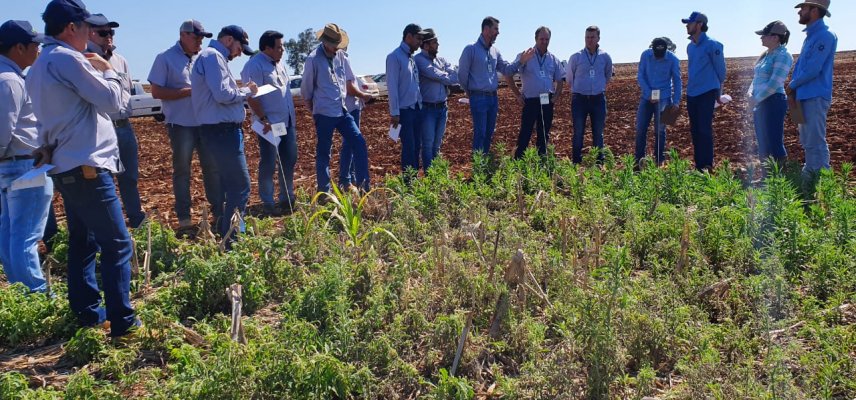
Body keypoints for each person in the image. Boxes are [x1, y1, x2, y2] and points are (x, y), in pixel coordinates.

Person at [28, 0, 139, 337]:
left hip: (68, 166)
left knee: (83, 240)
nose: (92, 34)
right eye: (87, 27)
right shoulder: (67, 59)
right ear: (70, 28)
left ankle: (87, 312)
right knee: (118, 243)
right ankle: (123, 322)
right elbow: (113, 102)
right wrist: (108, 70)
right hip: (87, 167)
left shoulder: (39, 63)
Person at [148, 20, 220, 237]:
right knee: (182, 172)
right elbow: (156, 92)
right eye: (196, 37)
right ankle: (184, 219)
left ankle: (219, 214)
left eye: (202, 38)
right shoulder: (165, 58)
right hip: (180, 125)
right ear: (183, 35)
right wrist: (187, 92)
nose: (200, 41)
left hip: (205, 123)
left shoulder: (202, 58)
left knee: (213, 169)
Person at [190, 25, 257, 241]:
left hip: (222, 132)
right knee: (240, 185)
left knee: (232, 185)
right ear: (228, 40)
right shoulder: (212, 57)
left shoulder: (213, 57)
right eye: (239, 47)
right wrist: (247, 91)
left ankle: (230, 231)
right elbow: (223, 95)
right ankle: (233, 239)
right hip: (222, 132)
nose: (239, 53)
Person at [0, 20, 52, 293]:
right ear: (18, 48)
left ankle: (23, 293)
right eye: (35, 45)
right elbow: (2, 132)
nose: (38, 50)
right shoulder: (9, 81)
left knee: (10, 235)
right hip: (23, 165)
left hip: (12, 166)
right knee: (25, 237)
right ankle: (37, 293)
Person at [85, 13, 146, 228]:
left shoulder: (120, 60)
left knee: (130, 177)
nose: (109, 36)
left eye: (111, 32)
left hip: (124, 126)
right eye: (103, 32)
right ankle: (112, 224)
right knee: (105, 180)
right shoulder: (84, 60)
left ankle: (136, 219)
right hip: (101, 128)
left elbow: (126, 91)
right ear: (90, 33)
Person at [300, 23, 370, 193]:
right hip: (323, 112)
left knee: (359, 143)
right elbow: (306, 89)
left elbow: (347, 81)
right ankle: (324, 192)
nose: (336, 48)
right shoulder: (313, 59)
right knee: (324, 152)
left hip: (342, 110)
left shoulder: (341, 57)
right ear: (325, 42)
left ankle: (364, 188)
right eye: (333, 45)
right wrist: (313, 109)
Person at [241, 30, 298, 216]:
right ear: (267, 48)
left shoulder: (279, 64)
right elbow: (252, 96)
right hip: (269, 123)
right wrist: (263, 118)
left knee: (288, 159)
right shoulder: (254, 66)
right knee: (269, 162)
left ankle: (287, 198)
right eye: (279, 46)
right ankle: (268, 202)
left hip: (286, 121)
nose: (282, 50)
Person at [459, 16, 533, 155]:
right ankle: (478, 168)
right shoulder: (470, 49)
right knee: (480, 133)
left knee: (489, 133)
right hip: (478, 97)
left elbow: (506, 70)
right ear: (486, 30)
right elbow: (462, 76)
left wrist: (520, 61)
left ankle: (484, 163)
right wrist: (470, 94)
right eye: (496, 29)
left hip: (493, 98)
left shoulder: (495, 51)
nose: (498, 33)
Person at [788, 0, 837, 180]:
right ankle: (810, 176)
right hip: (804, 95)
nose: (799, 11)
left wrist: (792, 85)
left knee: (815, 139)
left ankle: (821, 180)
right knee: (808, 140)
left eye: (803, 8)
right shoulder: (810, 36)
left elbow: (813, 69)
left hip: (815, 95)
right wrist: (794, 90)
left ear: (815, 11)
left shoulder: (825, 36)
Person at [507, 26, 564, 159]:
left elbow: (560, 79)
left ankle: (542, 160)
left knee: (544, 132)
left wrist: (555, 97)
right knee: (526, 132)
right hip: (531, 100)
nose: (544, 41)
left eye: (547, 39)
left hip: (546, 99)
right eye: (541, 39)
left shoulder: (553, 59)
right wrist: (517, 94)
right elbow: (508, 74)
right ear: (535, 39)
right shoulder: (526, 55)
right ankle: (518, 161)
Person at [683, 11, 726, 171]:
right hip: (692, 93)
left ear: (699, 24)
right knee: (695, 130)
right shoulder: (690, 46)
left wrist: (719, 94)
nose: (687, 26)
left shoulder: (713, 45)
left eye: (690, 22)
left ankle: (707, 165)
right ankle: (699, 165)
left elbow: (721, 72)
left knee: (704, 128)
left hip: (707, 92)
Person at [566, 26, 613, 164]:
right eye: (587, 37)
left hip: (598, 99)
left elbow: (608, 75)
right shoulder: (576, 57)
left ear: (598, 38)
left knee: (598, 133)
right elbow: (569, 78)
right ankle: (576, 162)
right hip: (579, 99)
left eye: (592, 37)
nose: (589, 40)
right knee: (578, 132)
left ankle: (599, 163)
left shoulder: (605, 57)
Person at [748, 21, 793, 166]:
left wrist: (756, 99)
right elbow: (755, 79)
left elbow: (774, 84)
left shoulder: (784, 56)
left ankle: (779, 177)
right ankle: (766, 176)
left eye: (764, 35)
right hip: (761, 102)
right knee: (763, 141)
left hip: (774, 101)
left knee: (773, 139)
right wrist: (750, 94)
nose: (761, 38)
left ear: (776, 37)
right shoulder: (765, 56)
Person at [415, 28, 458, 171]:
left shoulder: (441, 60)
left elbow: (454, 73)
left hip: (442, 107)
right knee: (427, 145)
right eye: (435, 42)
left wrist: (449, 76)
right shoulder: (419, 61)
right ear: (426, 45)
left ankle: (436, 174)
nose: (438, 45)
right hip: (428, 109)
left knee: (437, 144)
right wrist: (448, 76)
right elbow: (442, 77)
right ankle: (430, 176)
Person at [387, 23, 426, 177]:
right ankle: (408, 181)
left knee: (417, 145)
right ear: (408, 36)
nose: (420, 42)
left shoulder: (411, 58)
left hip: (416, 108)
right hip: (404, 111)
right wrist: (394, 112)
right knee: (409, 146)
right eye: (418, 38)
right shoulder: (394, 57)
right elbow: (392, 87)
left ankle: (414, 177)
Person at [635, 37, 682, 167]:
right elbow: (640, 75)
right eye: (657, 54)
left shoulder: (673, 59)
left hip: (665, 98)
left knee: (660, 130)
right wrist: (648, 92)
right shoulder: (645, 55)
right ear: (652, 49)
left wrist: (676, 101)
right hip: (646, 97)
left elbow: (677, 81)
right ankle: (638, 160)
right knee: (640, 128)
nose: (659, 58)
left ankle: (659, 160)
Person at [338, 44, 375, 190]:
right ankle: (346, 180)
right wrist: (363, 95)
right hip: (349, 106)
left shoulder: (343, 58)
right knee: (351, 143)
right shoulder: (341, 58)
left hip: (351, 106)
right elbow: (349, 86)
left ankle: (350, 177)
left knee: (351, 144)